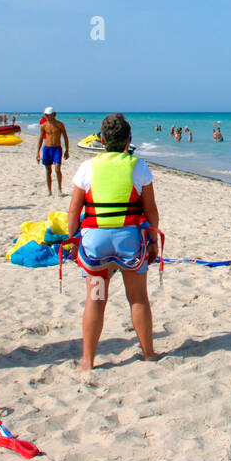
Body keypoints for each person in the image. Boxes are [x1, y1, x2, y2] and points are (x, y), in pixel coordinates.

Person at [67, 113, 160, 370]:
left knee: (96, 299)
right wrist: (152, 240)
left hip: (96, 246)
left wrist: (74, 242)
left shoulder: (87, 167)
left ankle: (87, 361)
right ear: (129, 140)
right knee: (138, 297)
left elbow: (74, 211)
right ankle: (148, 354)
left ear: (102, 141)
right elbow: (151, 211)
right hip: (128, 244)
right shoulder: (138, 166)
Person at [37, 106, 70, 195]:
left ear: (54, 114)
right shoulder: (44, 126)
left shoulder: (60, 124)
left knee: (57, 169)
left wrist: (67, 150)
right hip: (47, 149)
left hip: (57, 149)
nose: (47, 116)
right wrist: (38, 153)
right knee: (48, 171)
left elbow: (65, 137)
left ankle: (59, 189)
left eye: (48, 115)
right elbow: (40, 139)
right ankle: (49, 191)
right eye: (46, 115)